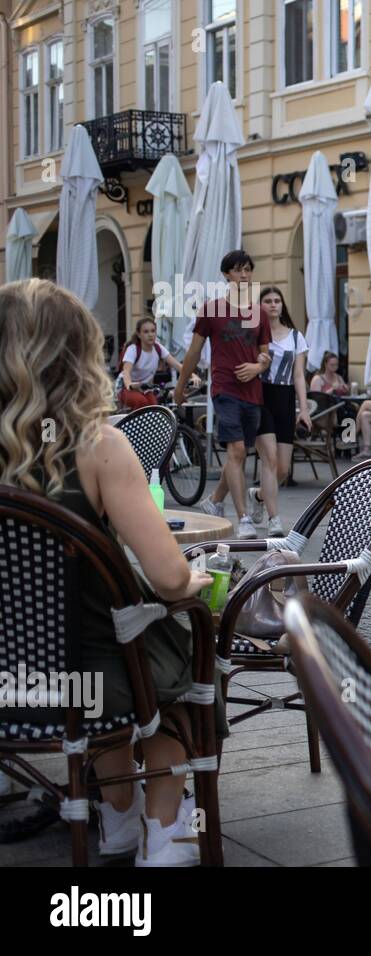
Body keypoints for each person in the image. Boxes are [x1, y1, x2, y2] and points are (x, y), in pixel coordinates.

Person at [0, 278, 225, 866]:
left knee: (107, 649)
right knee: (175, 646)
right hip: (92, 682)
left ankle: (118, 814)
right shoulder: (99, 445)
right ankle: (163, 830)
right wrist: (192, 584)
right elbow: (169, 576)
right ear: (76, 354)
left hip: (12, 685)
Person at [175, 250, 271, 540]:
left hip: (252, 391)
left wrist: (257, 366)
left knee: (238, 455)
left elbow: (266, 355)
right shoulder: (211, 309)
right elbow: (193, 351)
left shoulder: (259, 314)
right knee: (237, 451)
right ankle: (243, 518)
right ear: (227, 274)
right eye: (239, 270)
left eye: (248, 270)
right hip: (224, 388)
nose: (244, 275)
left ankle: (214, 502)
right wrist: (180, 386)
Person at [203, 287, 311, 535]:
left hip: (284, 398)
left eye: (277, 301)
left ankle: (255, 496)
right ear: (260, 306)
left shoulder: (296, 337)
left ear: (282, 305)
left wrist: (303, 408)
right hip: (259, 395)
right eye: (267, 301)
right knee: (268, 459)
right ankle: (275, 520)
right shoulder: (252, 334)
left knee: (282, 468)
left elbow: (298, 375)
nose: (273, 305)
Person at [117, 317, 200, 409]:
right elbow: (126, 372)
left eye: (153, 331)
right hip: (126, 387)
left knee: (155, 407)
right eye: (146, 332)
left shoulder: (158, 348)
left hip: (145, 388)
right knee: (141, 402)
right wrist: (129, 385)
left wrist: (193, 375)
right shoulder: (133, 349)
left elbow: (177, 365)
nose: (150, 335)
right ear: (139, 334)